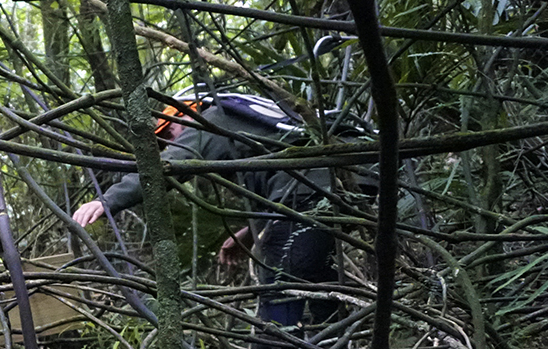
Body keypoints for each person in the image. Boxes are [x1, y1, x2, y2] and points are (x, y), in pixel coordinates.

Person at [73, 93, 364, 329]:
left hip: (318, 185)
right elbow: (278, 182)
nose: (172, 144)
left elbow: (172, 165)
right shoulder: (252, 115)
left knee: (280, 280)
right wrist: (248, 234)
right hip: (357, 176)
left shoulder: (213, 118)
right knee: (312, 268)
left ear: (186, 112)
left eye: (170, 134)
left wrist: (107, 200)